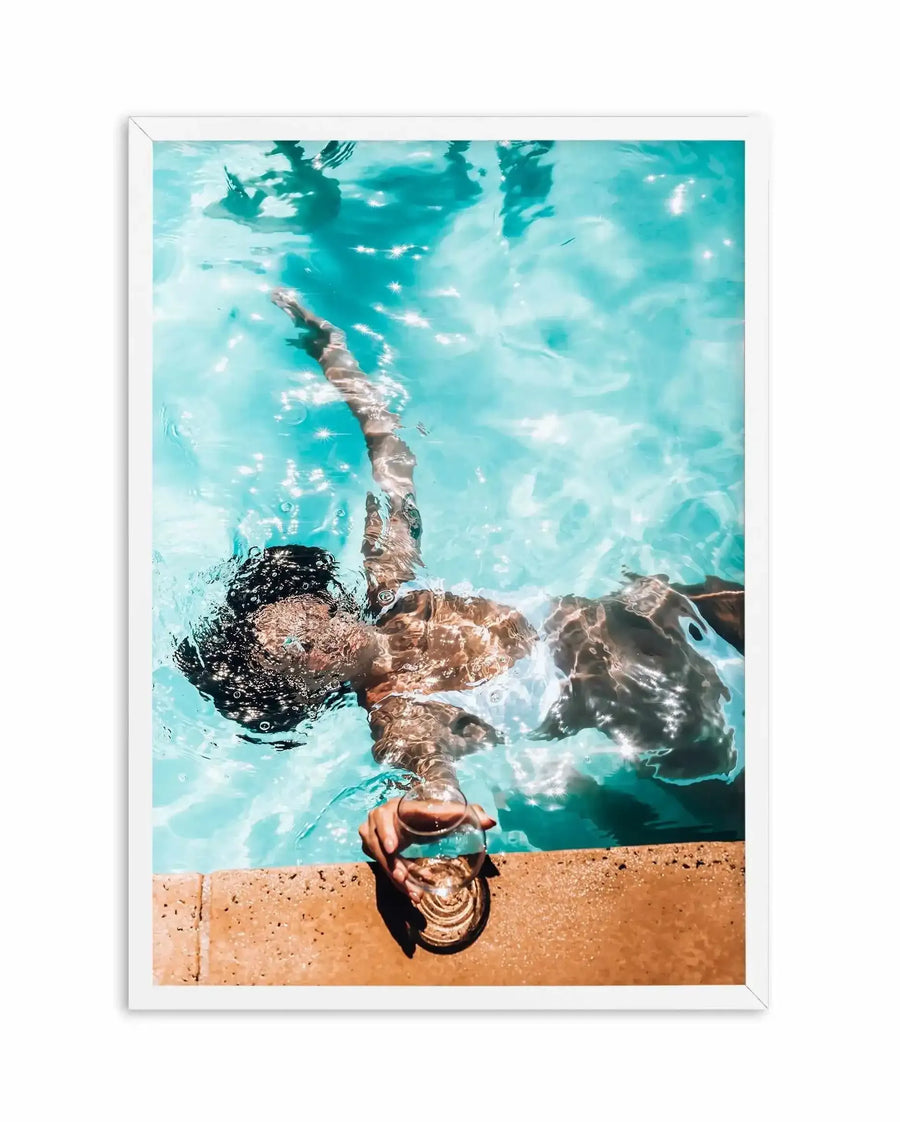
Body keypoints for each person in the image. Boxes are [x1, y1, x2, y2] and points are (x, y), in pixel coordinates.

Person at [176, 290, 745, 900]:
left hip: (658, 614)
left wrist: (336, 359)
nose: (308, 637)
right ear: (304, 693)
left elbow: (392, 458)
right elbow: (434, 785)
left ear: (314, 600)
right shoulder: (400, 716)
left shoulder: (395, 586)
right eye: (293, 655)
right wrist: (417, 816)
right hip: (662, 714)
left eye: (295, 621)